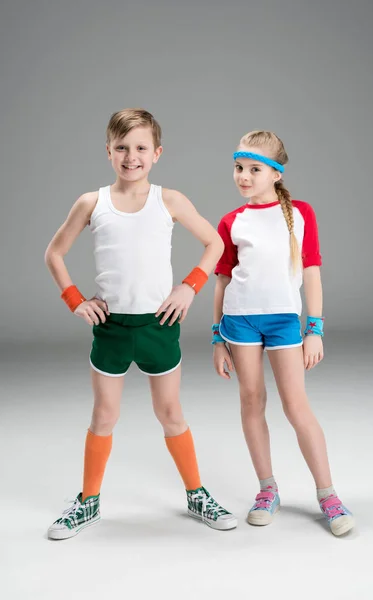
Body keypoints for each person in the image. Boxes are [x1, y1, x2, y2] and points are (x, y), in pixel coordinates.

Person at [45, 108, 237, 539]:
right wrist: (75, 299)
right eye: (122, 148)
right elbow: (53, 254)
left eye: (140, 148)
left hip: (158, 324)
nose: (131, 156)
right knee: (104, 415)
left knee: (170, 412)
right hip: (111, 327)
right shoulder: (91, 202)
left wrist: (189, 286)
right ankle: (87, 502)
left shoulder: (168, 200)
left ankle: (196, 494)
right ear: (109, 153)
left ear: (157, 153)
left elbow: (214, 242)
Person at [211, 130, 354, 536]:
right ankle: (267, 489)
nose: (243, 176)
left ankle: (328, 495)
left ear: (276, 173)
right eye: (239, 167)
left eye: (254, 169)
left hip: (283, 322)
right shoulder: (231, 221)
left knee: (296, 407)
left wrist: (315, 328)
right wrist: (217, 337)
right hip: (239, 322)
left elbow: (311, 272)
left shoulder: (301, 213)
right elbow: (222, 281)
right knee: (251, 401)